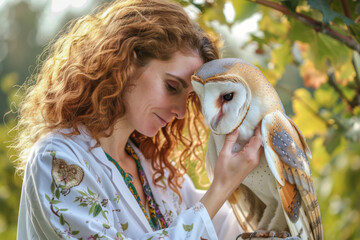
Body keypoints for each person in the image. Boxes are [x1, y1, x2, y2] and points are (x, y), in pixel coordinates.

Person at [14, 0, 263, 239]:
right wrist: (221, 187)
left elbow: (226, 227)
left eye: (189, 99)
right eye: (172, 85)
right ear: (124, 63)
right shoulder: (58, 160)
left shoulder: (156, 170)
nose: (181, 112)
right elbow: (203, 216)